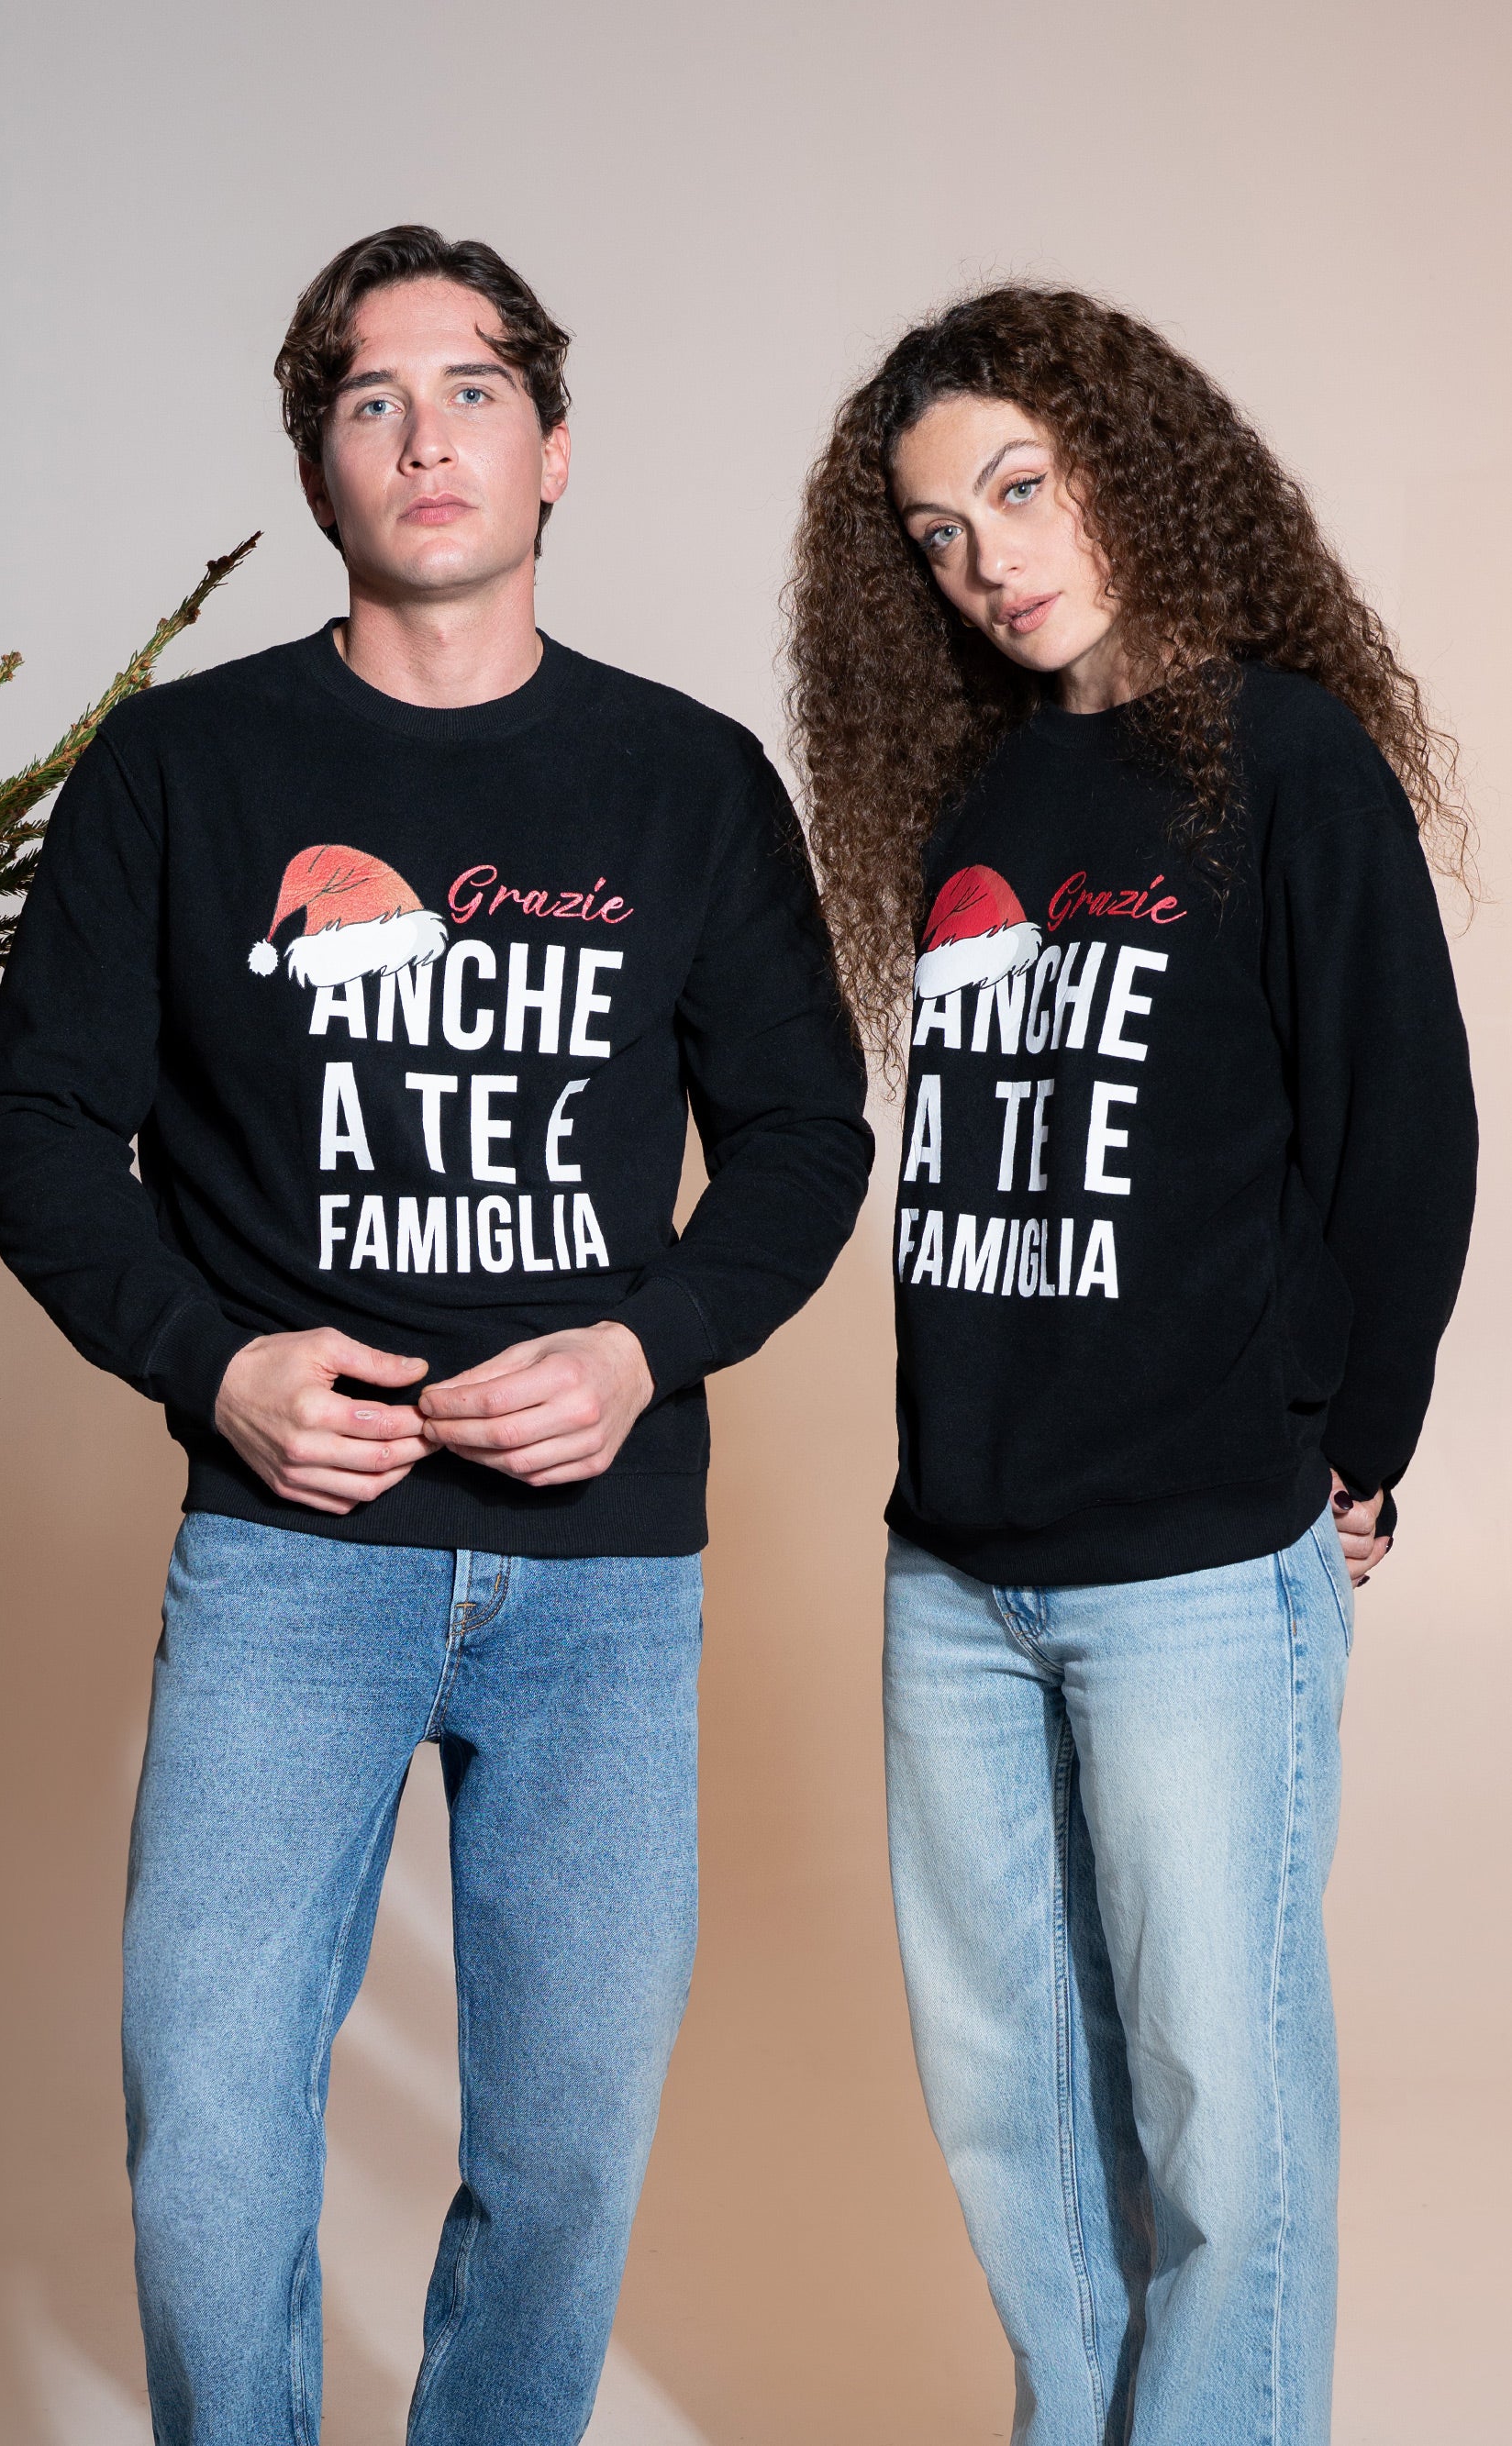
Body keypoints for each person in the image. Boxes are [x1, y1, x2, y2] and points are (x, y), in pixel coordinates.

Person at [0, 223, 872, 2446]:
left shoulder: (684, 780)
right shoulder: (183, 767)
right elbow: (38, 1125)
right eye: (371, 399)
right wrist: (216, 1364)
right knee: (208, 2140)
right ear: (318, 468)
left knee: (564, 2164)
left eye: (473, 390)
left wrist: (646, 1347)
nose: (425, 435)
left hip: (599, 1573)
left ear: (554, 450)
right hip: (292, 1551)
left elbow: (803, 1139)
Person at [786, 286, 1475, 2445]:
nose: (987, 557)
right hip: (954, 1566)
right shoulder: (980, 792)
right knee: (1020, 2120)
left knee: (1217, 2117)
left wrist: (1351, 1448)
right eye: (935, 534)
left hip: (1192, 1565)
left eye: (1018, 485)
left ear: (1128, 461)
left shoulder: (1284, 758)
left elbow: (1406, 1131)